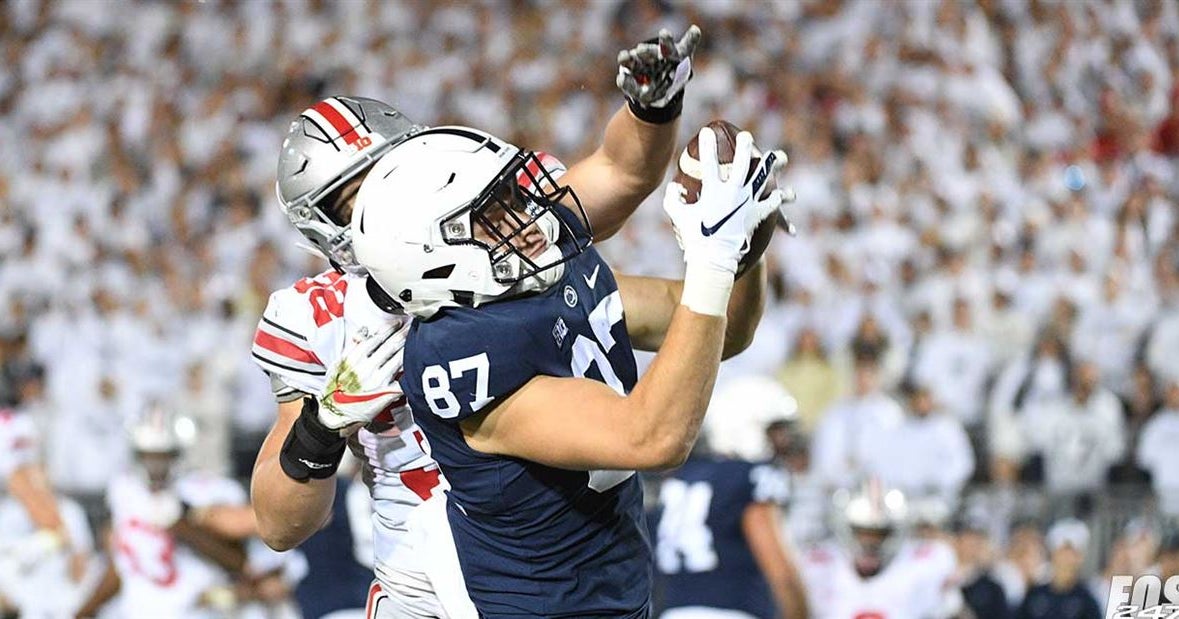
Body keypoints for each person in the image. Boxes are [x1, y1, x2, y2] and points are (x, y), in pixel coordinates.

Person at [248, 26, 704, 618]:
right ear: (325, 230)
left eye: (392, 166)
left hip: (556, 553)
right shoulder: (317, 318)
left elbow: (620, 173)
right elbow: (278, 524)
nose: (391, 192)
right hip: (422, 580)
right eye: (357, 195)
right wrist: (320, 426)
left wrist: (651, 110)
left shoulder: (495, 221)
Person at [352, 119, 787, 616]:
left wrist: (744, 247)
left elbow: (722, 328)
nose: (524, 218)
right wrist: (713, 256)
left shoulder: (548, 280)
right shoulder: (460, 352)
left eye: (512, 197)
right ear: (432, 257)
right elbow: (653, 437)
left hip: (615, 590)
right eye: (491, 215)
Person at [77, 406, 258, 618]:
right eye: (148, 456)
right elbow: (122, 567)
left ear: (176, 454)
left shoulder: (202, 490)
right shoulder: (125, 492)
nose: (155, 466)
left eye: (162, 456)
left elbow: (237, 561)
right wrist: (83, 612)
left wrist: (182, 525)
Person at [653, 376, 808, 619]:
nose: (781, 443)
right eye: (773, 433)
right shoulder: (748, 476)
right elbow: (782, 576)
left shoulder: (683, 477)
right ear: (745, 427)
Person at [798, 480, 962, 619]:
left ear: (896, 533)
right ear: (845, 530)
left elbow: (954, 612)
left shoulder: (925, 564)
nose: (870, 544)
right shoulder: (819, 567)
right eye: (862, 533)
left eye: (879, 535)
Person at [1014, 518, 1101, 619]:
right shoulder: (1034, 596)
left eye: (1074, 553)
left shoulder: (1087, 601)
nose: (1068, 559)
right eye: (1063, 551)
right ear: (1053, 553)